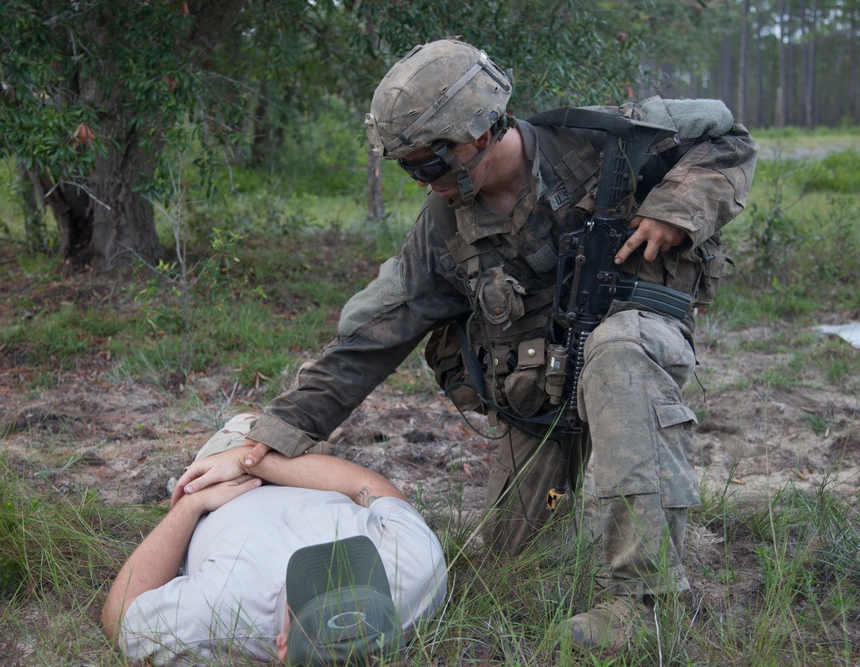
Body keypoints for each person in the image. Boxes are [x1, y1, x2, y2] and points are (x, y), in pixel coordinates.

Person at [178, 38, 757, 650]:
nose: (425, 184)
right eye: (408, 169)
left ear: (480, 133)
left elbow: (729, 138)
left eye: (430, 164)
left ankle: (645, 604)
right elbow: (369, 342)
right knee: (503, 572)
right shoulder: (442, 229)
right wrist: (260, 443)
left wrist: (676, 207)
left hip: (638, 346)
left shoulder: (606, 140)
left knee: (620, 349)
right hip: (542, 388)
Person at [102, 413, 447, 665]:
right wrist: (249, 464)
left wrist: (191, 504)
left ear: (281, 647)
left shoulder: (217, 617)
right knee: (294, 422)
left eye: (311, 587)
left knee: (249, 427)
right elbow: (372, 489)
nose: (333, 576)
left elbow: (119, 616)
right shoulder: (415, 575)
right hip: (312, 472)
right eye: (354, 583)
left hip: (222, 484)